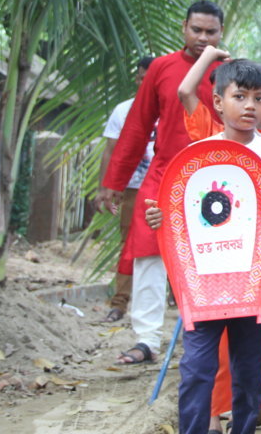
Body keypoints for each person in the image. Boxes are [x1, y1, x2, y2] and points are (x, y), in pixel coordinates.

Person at [143, 59, 261, 434]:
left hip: (260, 287)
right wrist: (159, 219)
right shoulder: (199, 156)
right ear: (218, 102)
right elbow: (180, 214)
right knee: (197, 369)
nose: (250, 106)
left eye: (259, 98)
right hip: (207, 286)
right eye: (240, 96)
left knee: (249, 375)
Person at [100, 0, 226, 365]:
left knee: (214, 253)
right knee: (147, 249)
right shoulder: (161, 68)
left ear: (221, 33)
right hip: (164, 173)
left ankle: (208, 334)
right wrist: (114, 182)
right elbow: (137, 126)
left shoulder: (230, 71)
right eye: (197, 30)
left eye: (211, 32)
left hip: (214, 177)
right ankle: (147, 339)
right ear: (183, 28)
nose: (203, 38)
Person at [99, 55, 154, 323]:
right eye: (142, 77)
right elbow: (111, 150)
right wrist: (108, 186)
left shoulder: (172, 107)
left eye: (151, 78)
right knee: (128, 244)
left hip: (167, 187)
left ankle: (178, 302)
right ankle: (119, 303)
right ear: (137, 78)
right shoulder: (124, 110)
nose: (146, 83)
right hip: (133, 188)